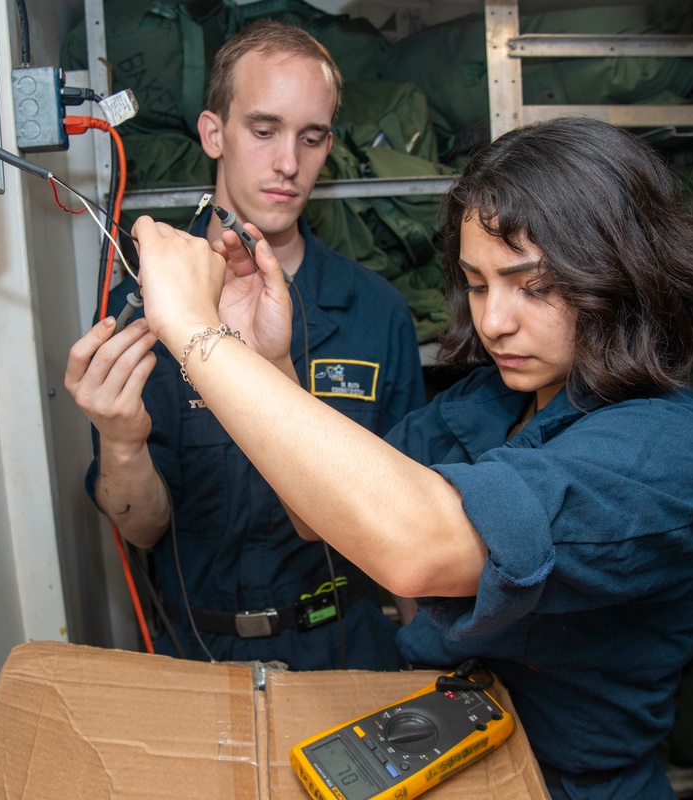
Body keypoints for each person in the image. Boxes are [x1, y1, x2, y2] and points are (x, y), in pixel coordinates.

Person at [119, 116, 693, 798]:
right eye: (478, 285)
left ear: (622, 274)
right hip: (445, 747)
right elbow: (327, 521)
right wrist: (269, 361)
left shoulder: (668, 455)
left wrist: (193, 331)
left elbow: (412, 548)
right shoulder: (490, 400)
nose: (495, 321)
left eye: (531, 286)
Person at [65, 20, 425, 669]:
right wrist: (120, 441)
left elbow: (408, 522)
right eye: (264, 131)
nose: (288, 163)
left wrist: (433, 663)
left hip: (342, 650)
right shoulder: (153, 305)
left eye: (311, 138)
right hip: (199, 655)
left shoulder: (377, 313)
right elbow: (143, 526)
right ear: (213, 133)